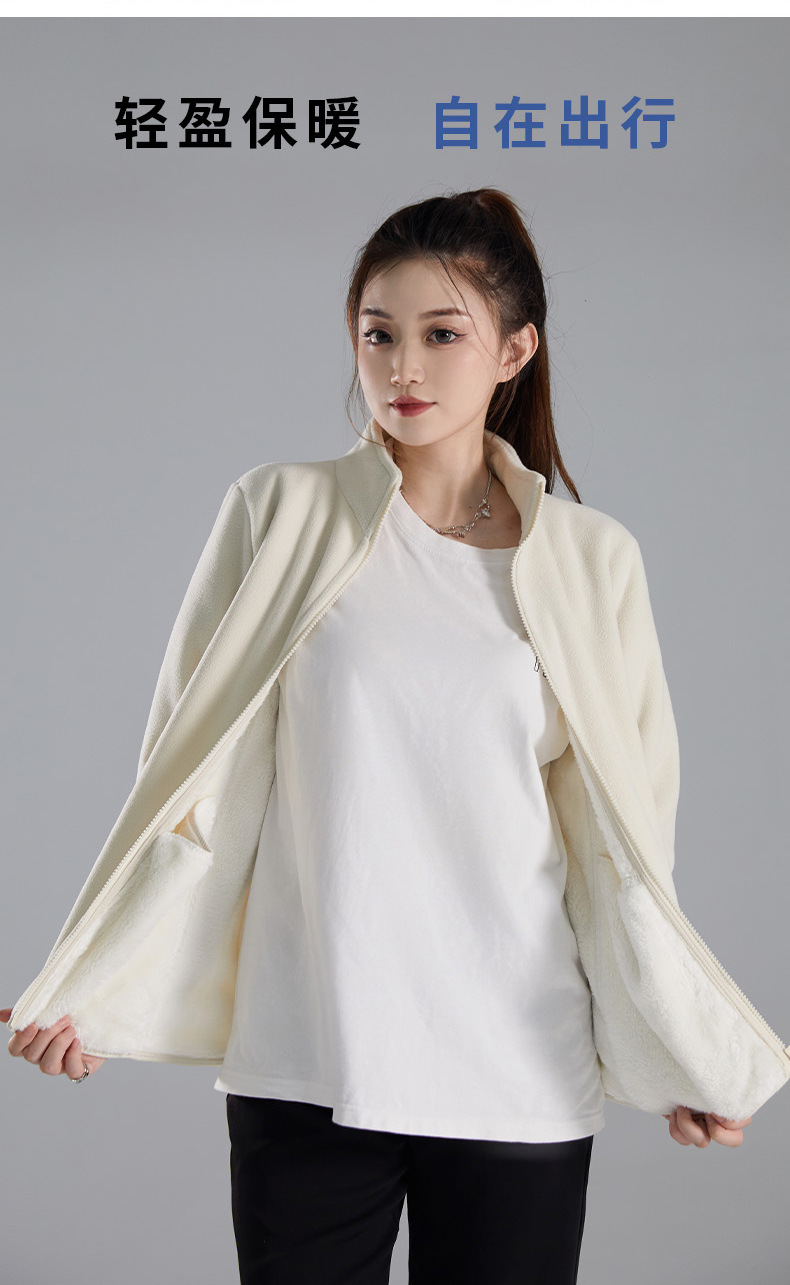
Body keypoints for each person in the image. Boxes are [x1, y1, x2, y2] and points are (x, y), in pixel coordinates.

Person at [6, 187, 783, 1285]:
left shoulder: (592, 559)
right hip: (310, 1051)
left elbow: (626, 844)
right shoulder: (280, 513)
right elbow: (187, 777)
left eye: (441, 334)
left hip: (517, 1059)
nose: (403, 367)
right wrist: (98, 985)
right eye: (378, 334)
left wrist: (678, 1051)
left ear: (514, 350)